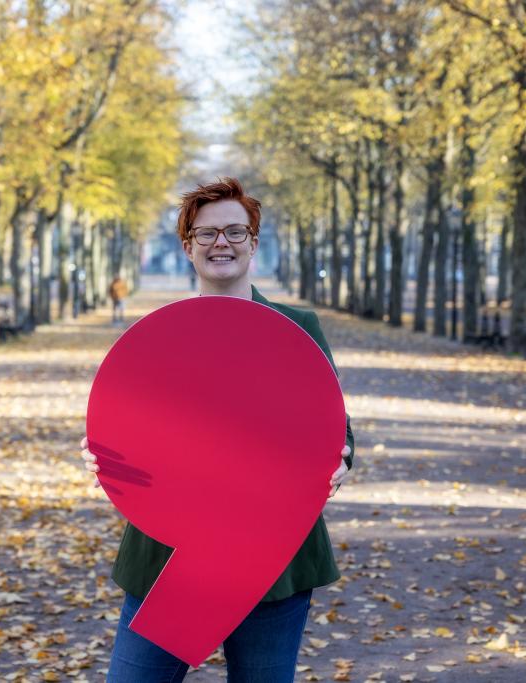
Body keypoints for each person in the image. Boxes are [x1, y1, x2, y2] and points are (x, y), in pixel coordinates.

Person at [80, 177, 355, 682]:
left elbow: (336, 428)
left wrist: (341, 460)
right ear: (188, 247)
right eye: (206, 234)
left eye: (234, 231)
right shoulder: (157, 337)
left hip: (272, 557)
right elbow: (130, 429)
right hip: (170, 559)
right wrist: (105, 454)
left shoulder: (299, 328)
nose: (220, 243)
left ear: (252, 241)